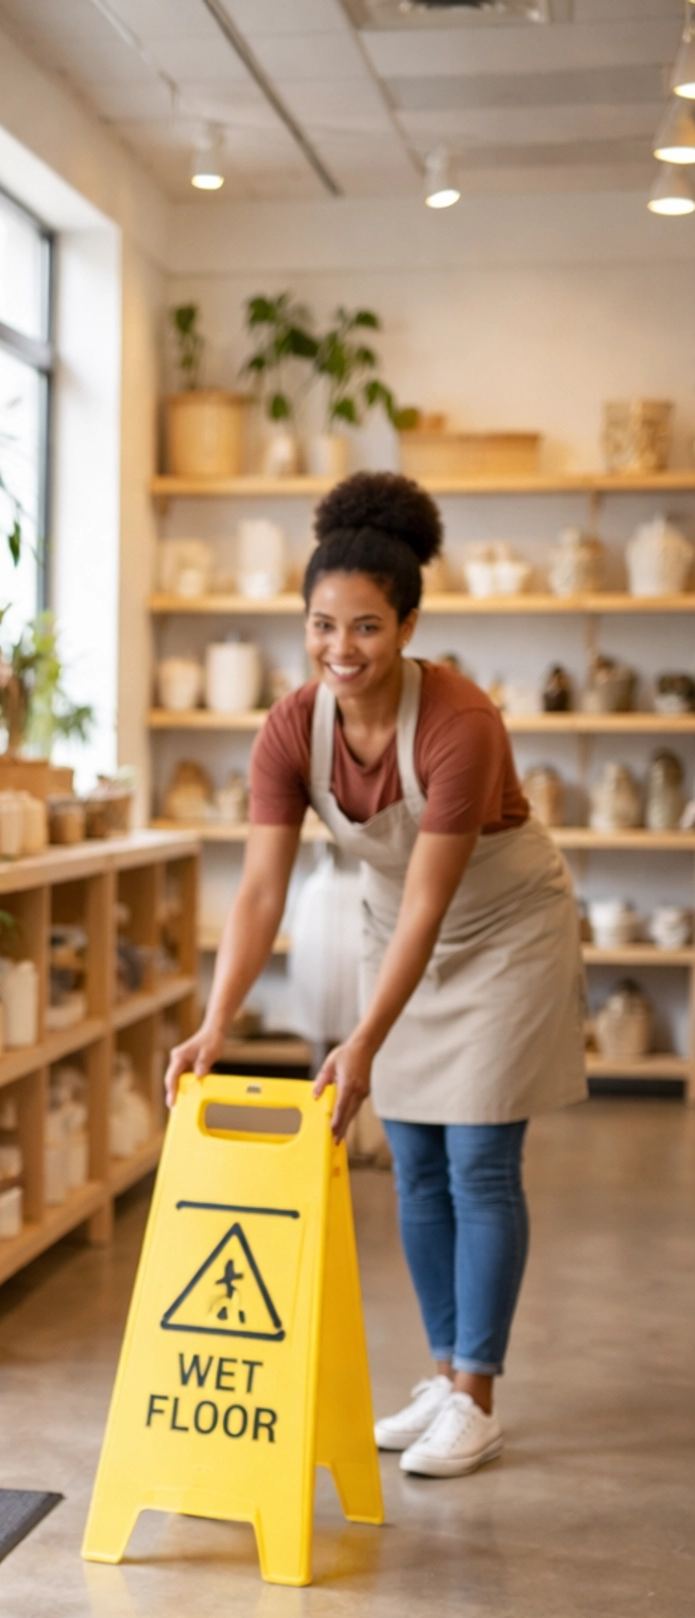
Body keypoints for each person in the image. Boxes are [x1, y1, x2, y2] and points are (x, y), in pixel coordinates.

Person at [166, 472, 584, 1481]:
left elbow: (438, 905)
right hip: (394, 930)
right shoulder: (289, 727)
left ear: (406, 626)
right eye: (321, 627)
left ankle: (477, 1393)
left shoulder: (460, 722)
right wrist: (216, 1022)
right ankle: (443, 1379)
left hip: (503, 933)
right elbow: (261, 894)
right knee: (414, 1159)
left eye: (365, 628)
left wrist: (361, 1039)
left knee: (477, 1159)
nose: (340, 650)